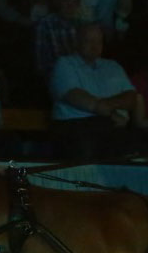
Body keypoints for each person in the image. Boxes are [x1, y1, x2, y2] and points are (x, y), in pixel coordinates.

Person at [48, 22, 139, 161]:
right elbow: (75, 95)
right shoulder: (65, 64)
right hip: (75, 126)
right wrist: (112, 112)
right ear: (77, 42)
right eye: (88, 41)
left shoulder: (113, 66)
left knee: (136, 150)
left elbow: (131, 97)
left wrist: (107, 109)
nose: (94, 46)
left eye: (98, 41)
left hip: (111, 127)